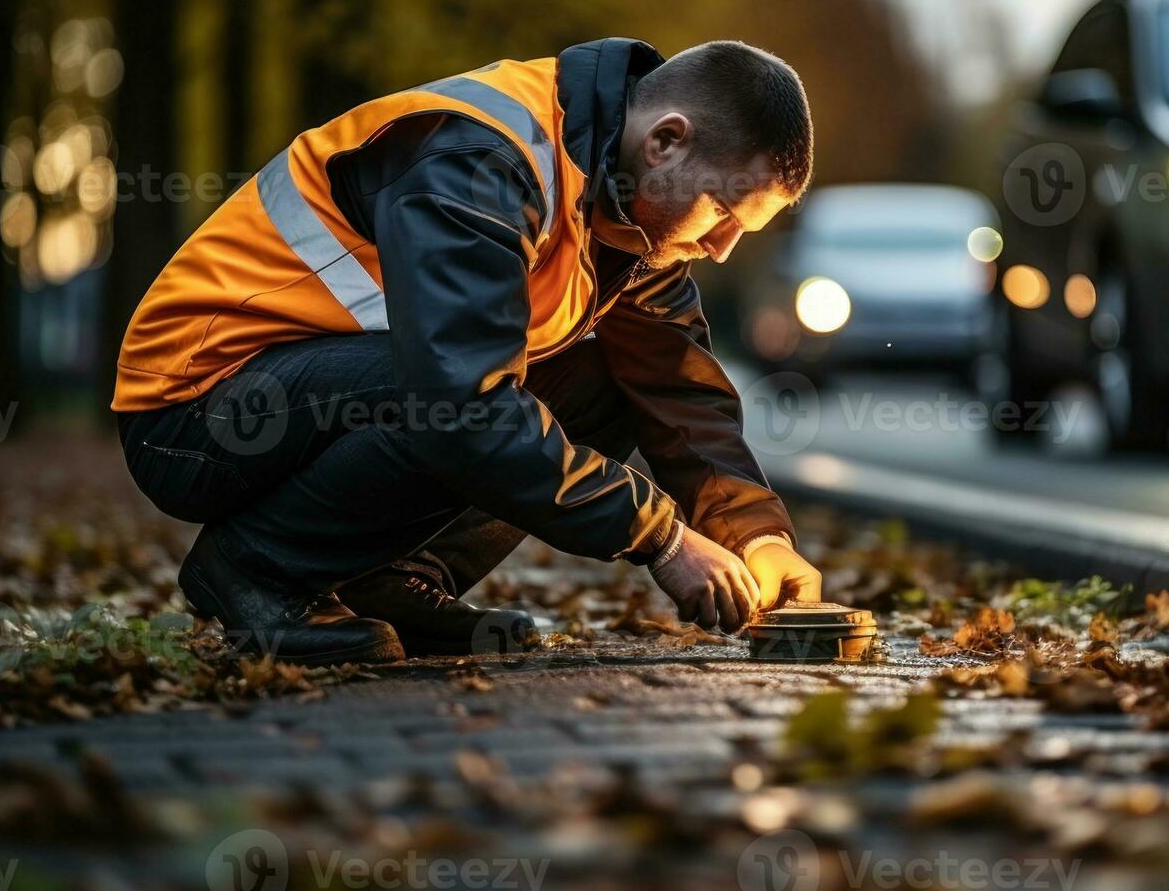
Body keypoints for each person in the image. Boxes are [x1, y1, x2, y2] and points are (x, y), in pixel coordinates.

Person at [112, 38, 823, 664]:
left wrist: (757, 537)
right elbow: (460, 402)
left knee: (605, 376)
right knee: (460, 396)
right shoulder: (478, 157)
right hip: (196, 412)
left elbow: (675, 388)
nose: (722, 248)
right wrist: (662, 538)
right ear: (666, 141)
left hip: (319, 389)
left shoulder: (632, 213)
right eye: (723, 211)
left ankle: (388, 581)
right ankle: (259, 571)